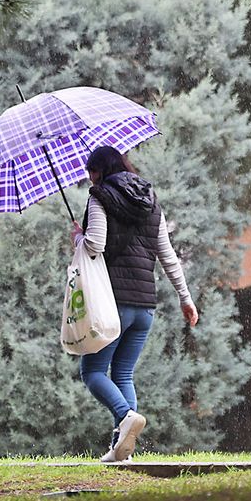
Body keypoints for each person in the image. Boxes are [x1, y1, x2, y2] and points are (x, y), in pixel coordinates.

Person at [77, 145, 199, 463]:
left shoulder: (99, 196)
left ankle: (124, 416)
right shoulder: (149, 201)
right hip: (144, 305)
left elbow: (95, 244)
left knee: (91, 371)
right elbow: (167, 254)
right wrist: (185, 298)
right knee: (123, 374)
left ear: (100, 170)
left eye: (91, 172)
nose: (89, 178)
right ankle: (122, 452)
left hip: (112, 302)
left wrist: (79, 237)